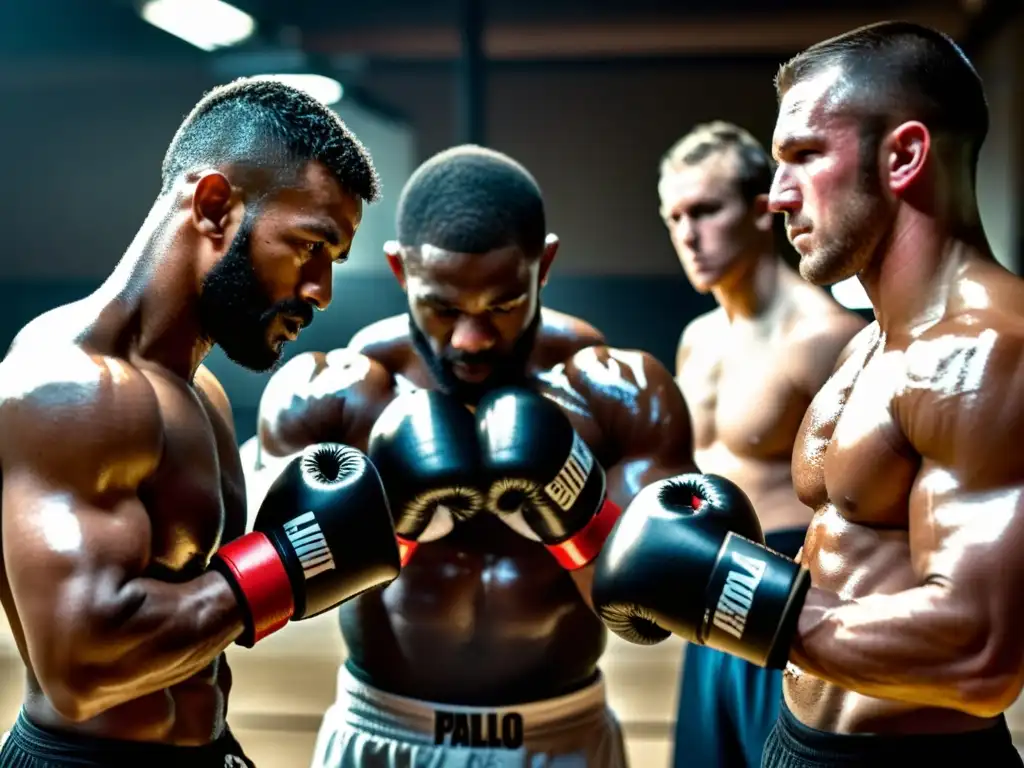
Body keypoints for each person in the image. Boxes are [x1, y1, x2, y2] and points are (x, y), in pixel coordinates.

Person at [590, 20, 1024, 767]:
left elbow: (980, 654)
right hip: (794, 736)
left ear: (905, 156)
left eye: (805, 157)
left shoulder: (987, 348)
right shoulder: (869, 344)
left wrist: (722, 592)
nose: (779, 195)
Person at [246, 144, 699, 768]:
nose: (471, 338)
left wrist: (571, 513)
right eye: (442, 308)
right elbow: (278, 597)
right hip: (385, 731)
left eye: (503, 306)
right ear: (401, 271)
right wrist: (396, 527)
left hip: (559, 733)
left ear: (544, 265)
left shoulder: (616, 392)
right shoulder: (337, 394)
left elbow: (656, 612)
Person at [0, 77, 403, 767]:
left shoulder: (202, 393)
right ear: (216, 206)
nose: (321, 293)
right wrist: (286, 564)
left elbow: (199, 612)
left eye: (332, 264)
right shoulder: (71, 388)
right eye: (311, 247)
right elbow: (80, 670)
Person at [657, 121, 865, 767]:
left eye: (706, 210)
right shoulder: (696, 340)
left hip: (788, 605)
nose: (689, 234)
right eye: (674, 216)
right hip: (704, 601)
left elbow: (869, 515)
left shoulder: (827, 337)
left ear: (759, 209)